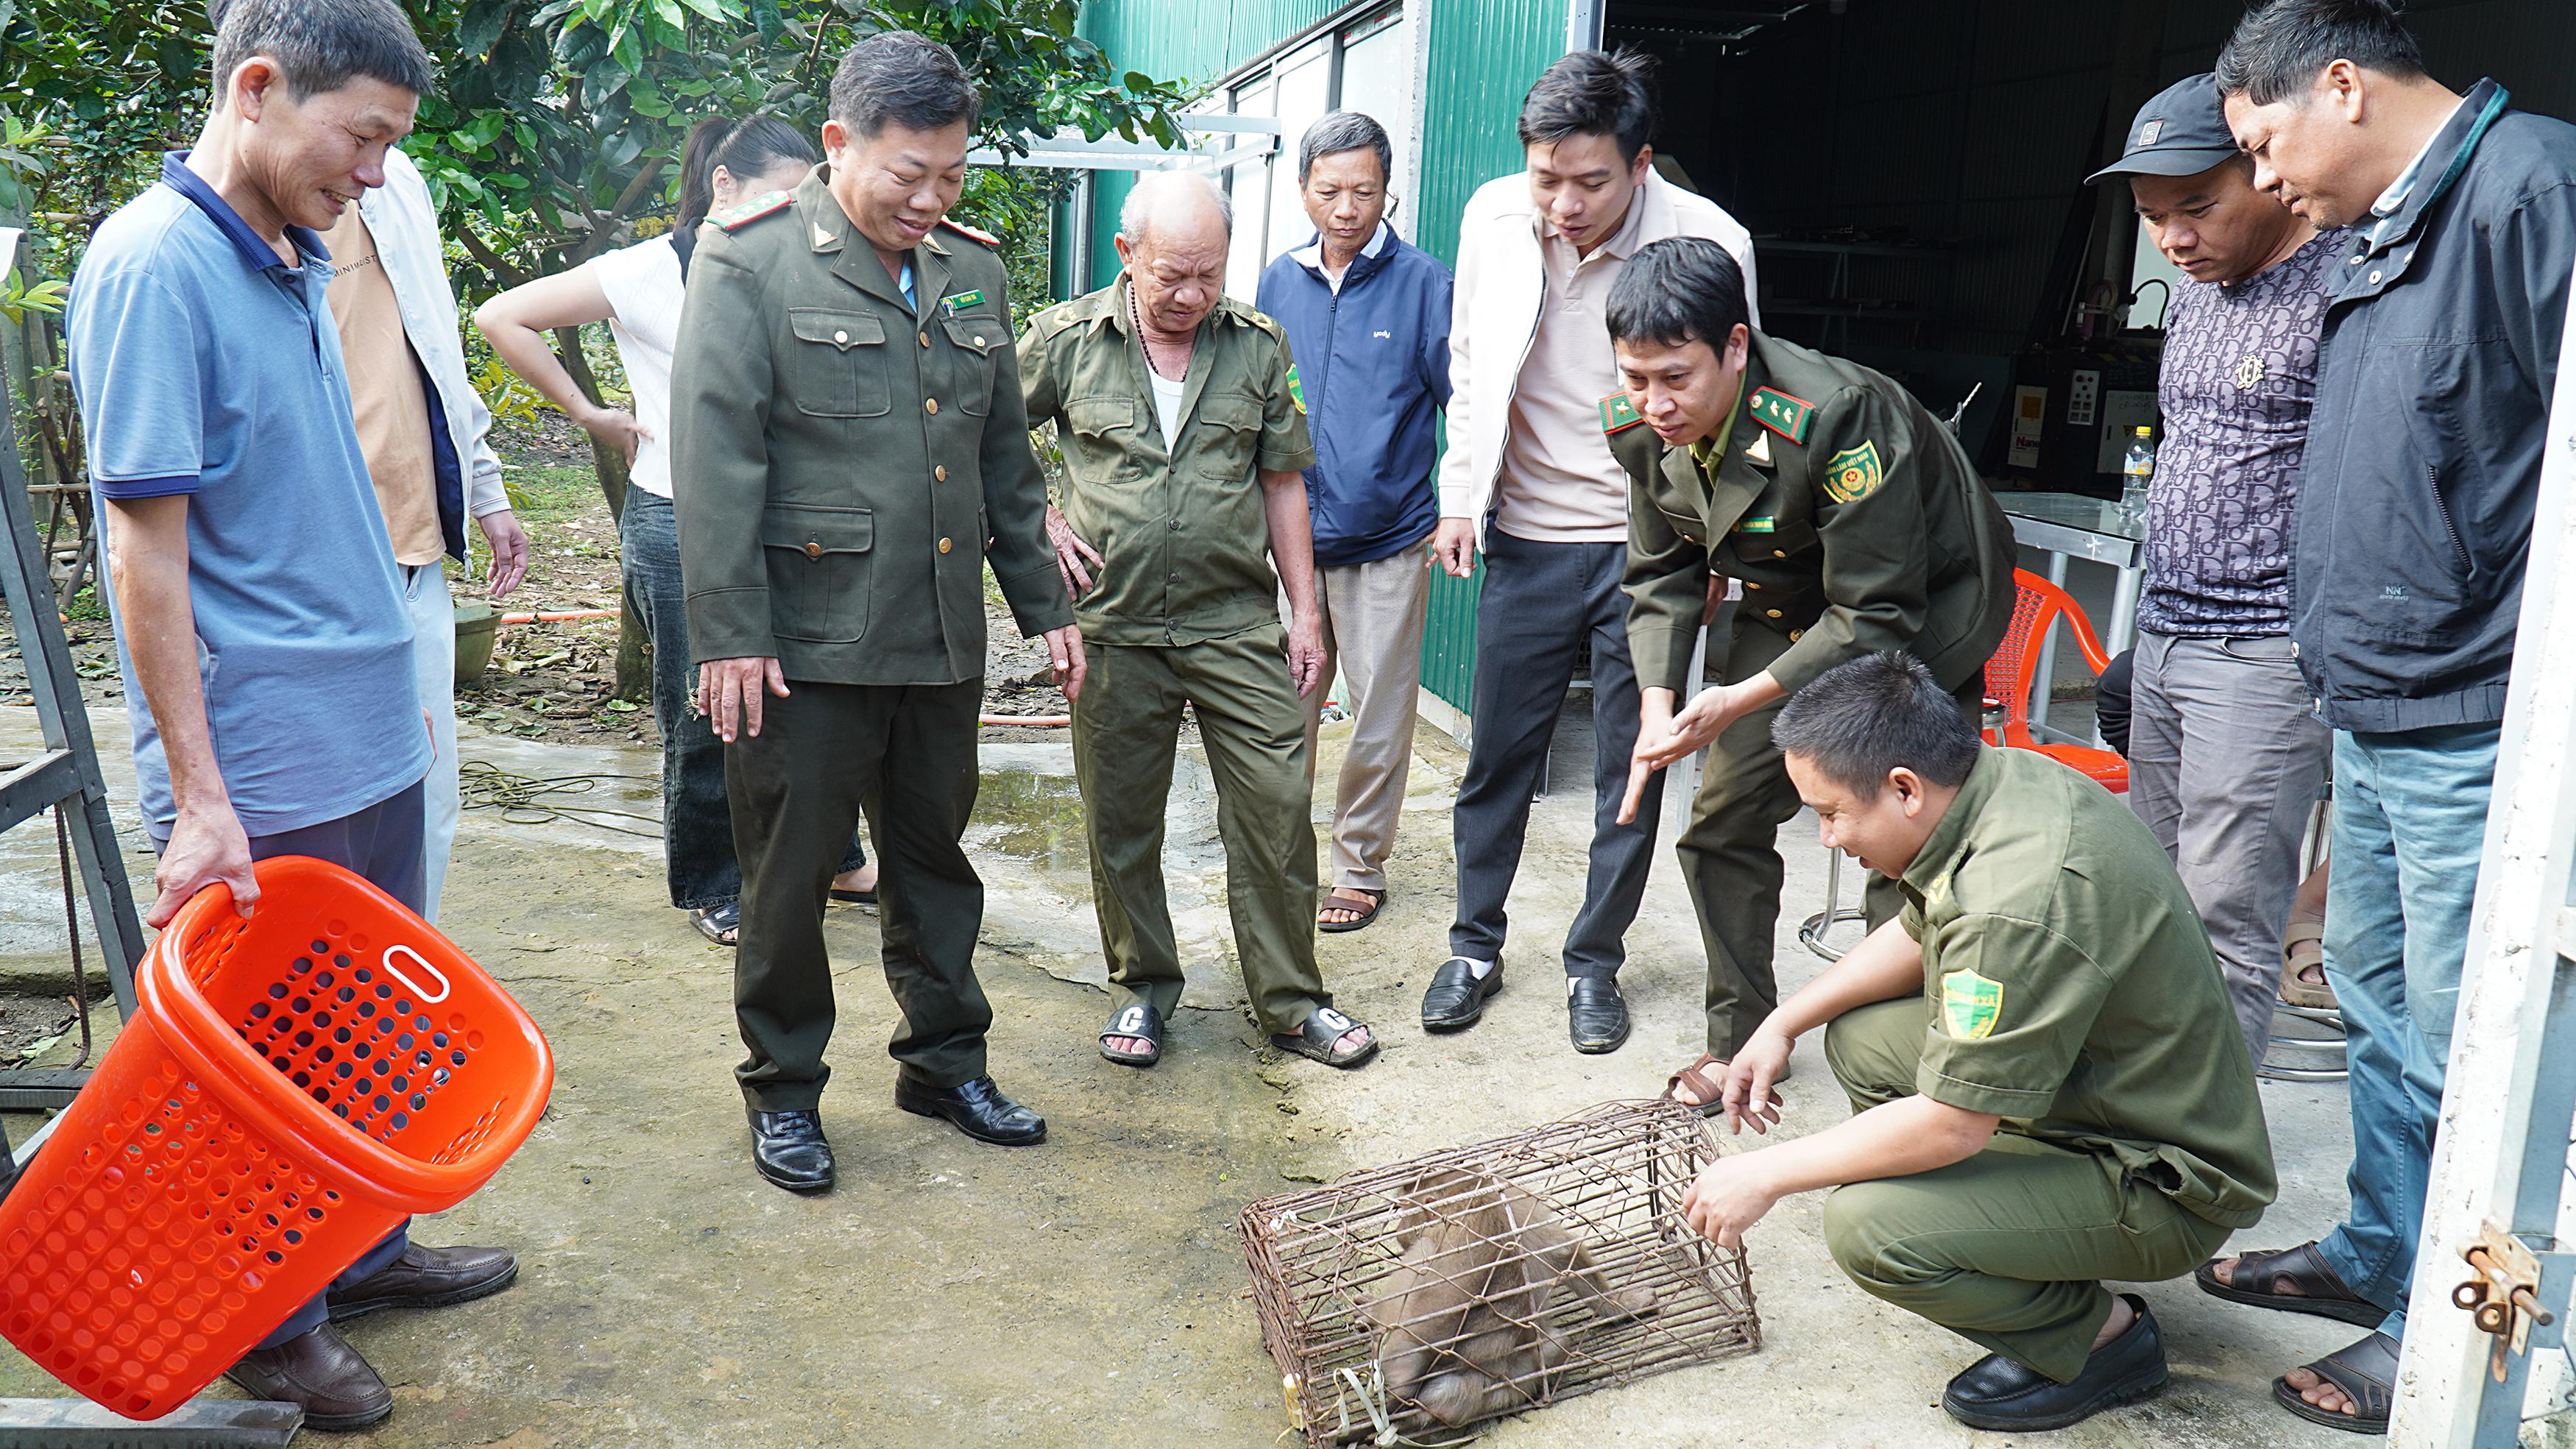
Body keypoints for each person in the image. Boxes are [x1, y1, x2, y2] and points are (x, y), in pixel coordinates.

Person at [66, 0, 516, 1428]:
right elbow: (147, 551)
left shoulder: (288, 250)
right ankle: (270, 1321)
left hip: (364, 735)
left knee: (367, 1047)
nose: (376, 173)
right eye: (363, 138)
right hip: (258, 764)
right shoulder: (153, 266)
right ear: (258, 89)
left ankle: (359, 1252)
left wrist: (399, 694)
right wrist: (201, 797)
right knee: (260, 1067)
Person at [2207, 1, 2576, 1431]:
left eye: (2262, 143)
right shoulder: (2384, 223)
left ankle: (2440, 1316)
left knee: (2456, 1036)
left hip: (2470, 714)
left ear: (2343, 86)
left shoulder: (2527, 191)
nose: (2263, 179)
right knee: (2368, 1002)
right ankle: (2375, 1246)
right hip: (2376, 705)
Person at [670, 31, 1082, 1191]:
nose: (932, 197)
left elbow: (1006, 465)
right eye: (910, 173)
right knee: (791, 874)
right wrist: (730, 632)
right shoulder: (748, 262)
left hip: (938, 631)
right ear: (840, 144)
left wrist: (1043, 605)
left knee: (934, 861)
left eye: (952, 175)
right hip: (800, 643)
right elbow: (716, 460)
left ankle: (946, 1063)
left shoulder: (974, 272)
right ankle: (786, 1089)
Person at [1679, 652, 2275, 1434]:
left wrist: (1762, 1174)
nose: (1824, 838)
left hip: (2164, 1178)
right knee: (1860, 1037)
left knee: (1869, 1226)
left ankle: (2099, 1339)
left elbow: (1951, 1124)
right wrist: (1781, 1021)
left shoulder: (2014, 898)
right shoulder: (1997, 784)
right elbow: (1919, 925)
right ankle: (2008, 1234)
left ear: (1902, 787)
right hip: (2107, 1086)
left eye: (1829, 813)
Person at [1602, 237, 2013, 1104]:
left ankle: (1903, 1070)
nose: (1654, 403)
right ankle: (1743, 1039)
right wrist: (1658, 706)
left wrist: (1734, 700)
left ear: (1737, 347)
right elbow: (1660, 572)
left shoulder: (1837, 413)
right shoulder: (1639, 426)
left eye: (1675, 377)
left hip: (1923, 612)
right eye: (1635, 379)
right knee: (1719, 820)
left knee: (1895, 839)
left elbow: (1874, 614)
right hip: (1793, 603)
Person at [1419, 50, 1761, 1055]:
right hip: (1523, 531)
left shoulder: (1711, 241)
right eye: (1546, 177)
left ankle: (1593, 961)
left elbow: (1737, 400)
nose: (1564, 203)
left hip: (1649, 553)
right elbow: (1472, 361)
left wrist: (1721, 549)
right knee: (1499, 756)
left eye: (1592, 181)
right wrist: (1460, 494)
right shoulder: (1492, 215)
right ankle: (1474, 945)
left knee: (1634, 763)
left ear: (1643, 163)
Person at [477, 117, 877, 947]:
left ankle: (837, 856)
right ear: (721, 188)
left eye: (809, 203)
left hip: (790, 522)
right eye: (779, 200)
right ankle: (711, 881)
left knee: (811, 694)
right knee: (704, 710)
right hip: (677, 518)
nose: (796, 218)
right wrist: (591, 413)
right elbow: (501, 316)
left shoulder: (809, 265)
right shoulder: (643, 273)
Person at [1023, 171, 1376, 1073]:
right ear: (1125, 255)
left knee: (1274, 809)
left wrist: (1306, 613)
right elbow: (985, 436)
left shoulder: (1256, 346)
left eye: (1208, 275)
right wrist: (1040, 518)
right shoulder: (1063, 341)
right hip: (1112, 624)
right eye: (1171, 275)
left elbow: (1282, 479)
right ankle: (1141, 987)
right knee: (1121, 820)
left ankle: (1292, 1001)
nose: (1190, 296)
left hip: (1234, 622)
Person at [2083, 72, 2338, 1064]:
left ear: (2266, 172)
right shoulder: (2193, 298)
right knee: (2149, 888)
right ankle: (2138, 1102)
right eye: (2153, 218)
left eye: (2198, 206)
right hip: (2167, 634)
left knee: (2227, 913)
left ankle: (2200, 1163)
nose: (2175, 238)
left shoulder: (2340, 286)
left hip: (2262, 648)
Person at [1254, 111, 1453, 936]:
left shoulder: (1422, 283)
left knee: (1376, 711)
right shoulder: (1277, 281)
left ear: (1386, 190)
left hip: (1387, 537)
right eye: (1329, 190)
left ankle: (1358, 867)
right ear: (1302, 189)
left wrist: (1456, 506)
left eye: (1363, 191)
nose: (1345, 208)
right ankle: (1274, 855)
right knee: (1280, 703)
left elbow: (1460, 402)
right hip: (1293, 537)